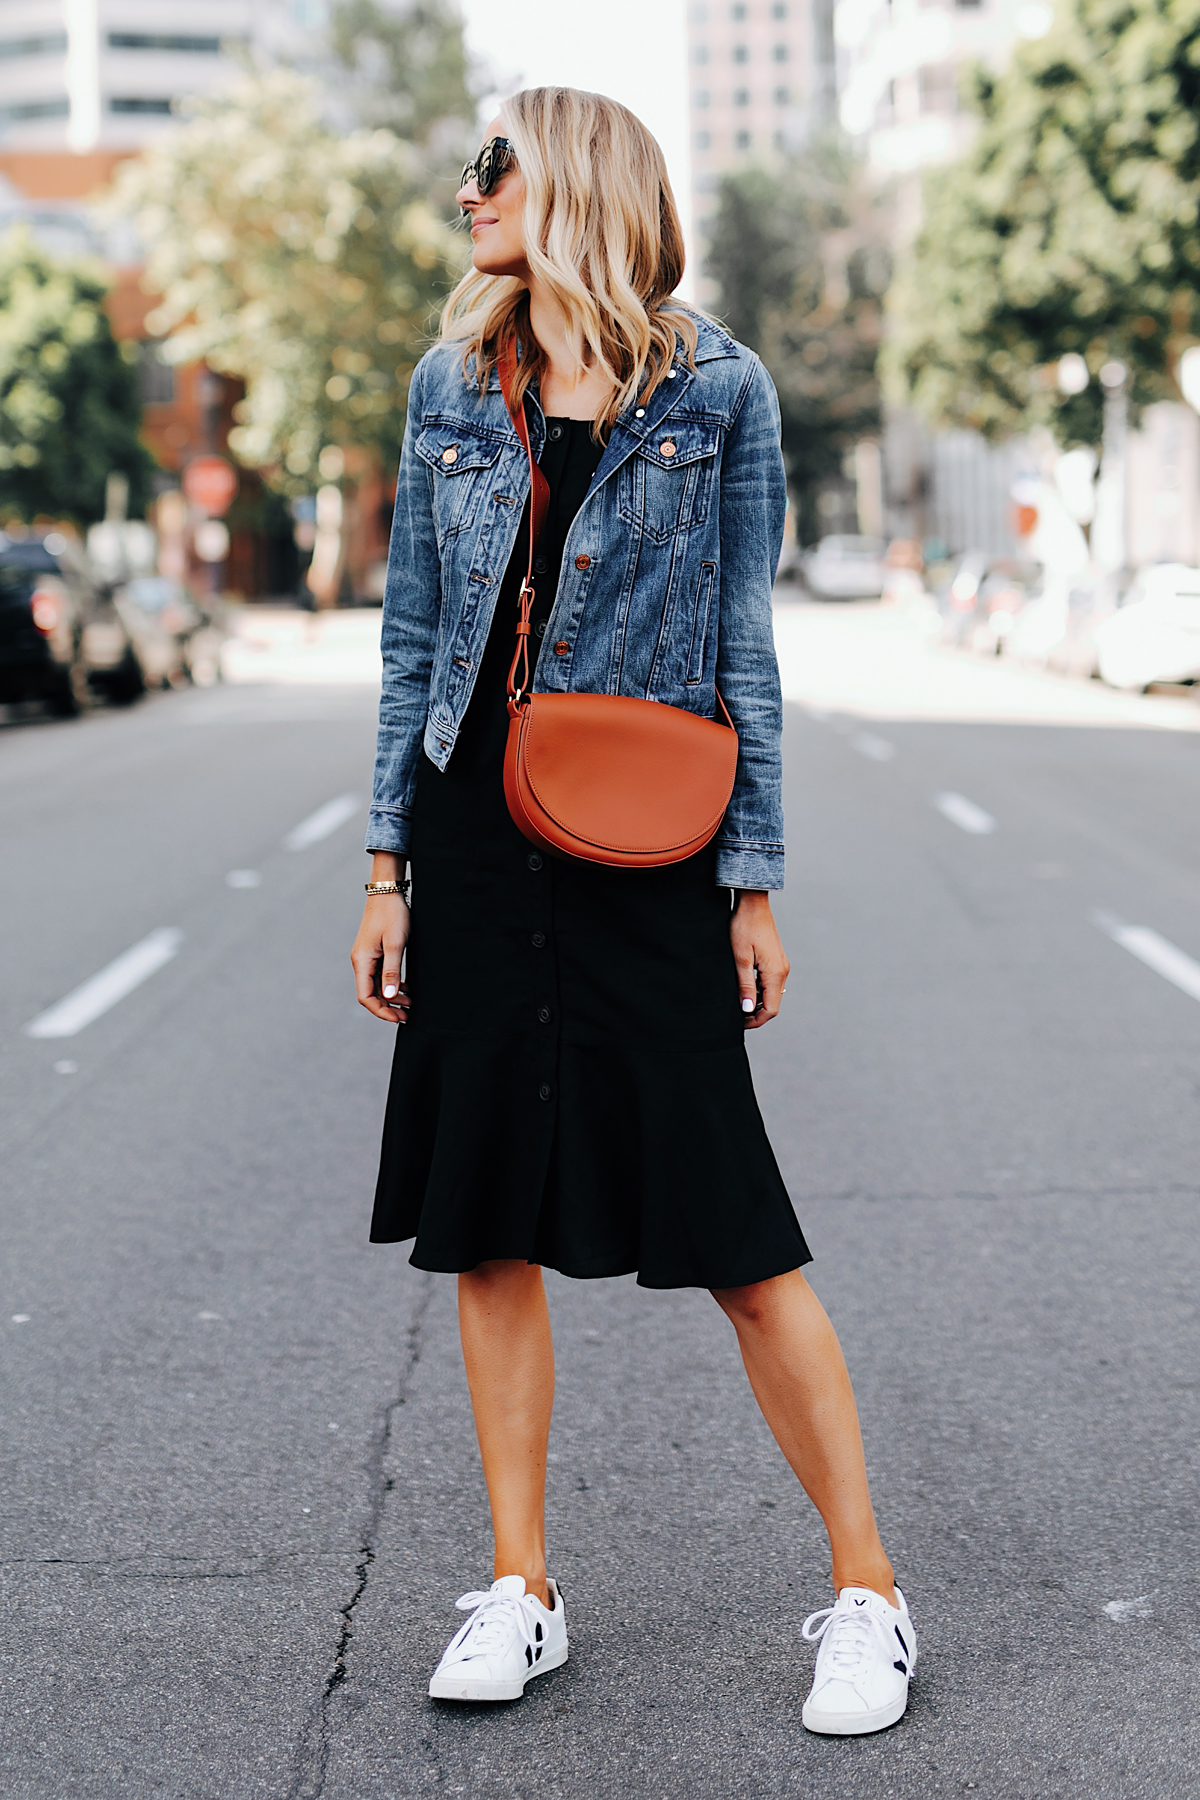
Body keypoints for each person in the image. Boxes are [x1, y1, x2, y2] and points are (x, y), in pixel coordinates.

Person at [351, 87, 915, 1736]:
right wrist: (385, 869)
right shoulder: (453, 381)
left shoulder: (717, 387)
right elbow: (408, 645)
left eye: (492, 168)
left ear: (575, 181)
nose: (466, 196)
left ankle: (868, 1593)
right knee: (487, 1219)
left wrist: (755, 880)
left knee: (737, 1232)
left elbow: (746, 641)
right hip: (471, 832)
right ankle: (521, 1588)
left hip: (641, 843)